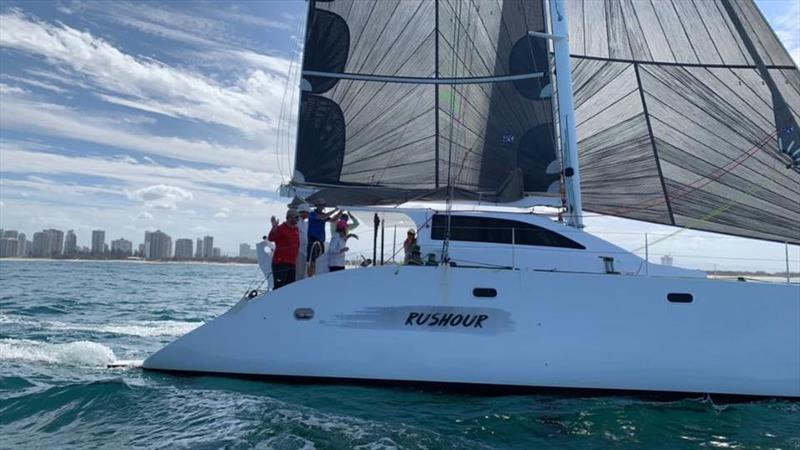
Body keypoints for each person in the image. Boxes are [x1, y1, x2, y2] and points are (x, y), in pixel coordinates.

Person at [267, 209, 299, 289]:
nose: (298, 219)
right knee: (279, 287)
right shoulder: (281, 228)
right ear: (289, 217)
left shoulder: (296, 229)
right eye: (296, 217)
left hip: (292, 263)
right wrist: (274, 228)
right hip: (280, 262)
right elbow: (271, 238)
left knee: (290, 287)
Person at [306, 199, 338, 277]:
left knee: (318, 259)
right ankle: (310, 277)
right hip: (313, 239)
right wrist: (335, 210)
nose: (322, 206)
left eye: (323, 205)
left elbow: (333, 220)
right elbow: (322, 217)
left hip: (321, 240)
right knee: (311, 260)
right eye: (321, 205)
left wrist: (340, 211)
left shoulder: (323, 214)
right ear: (316, 205)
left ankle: (315, 276)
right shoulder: (312, 214)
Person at [295, 204, 310, 280]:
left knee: (302, 272)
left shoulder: (305, 223)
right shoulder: (297, 222)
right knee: (299, 272)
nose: (308, 215)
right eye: (307, 213)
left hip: (304, 251)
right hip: (299, 250)